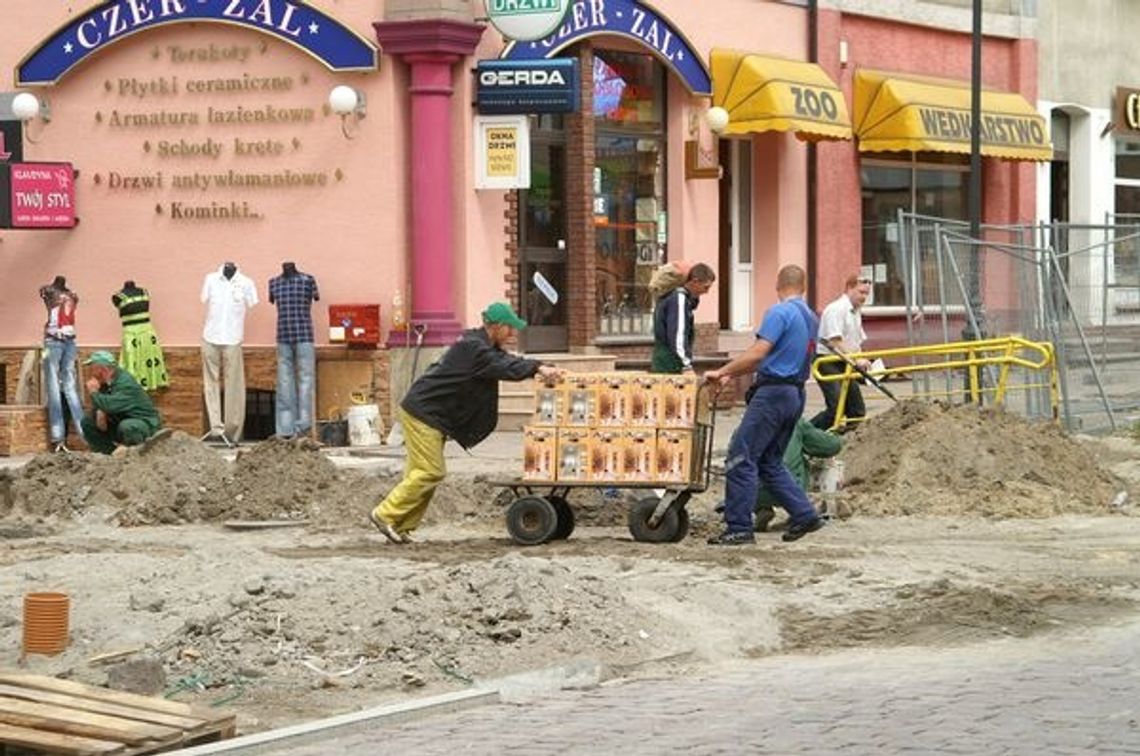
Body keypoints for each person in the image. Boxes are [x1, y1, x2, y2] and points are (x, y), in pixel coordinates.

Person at [369, 302, 563, 544]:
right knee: (431, 471)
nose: (513, 334)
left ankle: (400, 525)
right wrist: (536, 368)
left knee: (419, 473)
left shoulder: (480, 344)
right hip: (424, 413)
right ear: (498, 327)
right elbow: (504, 366)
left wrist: (539, 366)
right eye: (511, 329)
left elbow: (505, 360)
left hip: (430, 414)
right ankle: (385, 513)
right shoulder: (475, 348)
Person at [704, 265, 823, 545]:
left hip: (773, 393)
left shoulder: (779, 312)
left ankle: (738, 527)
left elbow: (759, 353)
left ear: (777, 285)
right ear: (803, 286)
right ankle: (805, 514)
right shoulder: (810, 316)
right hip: (796, 393)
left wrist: (723, 372)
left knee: (740, 456)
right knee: (769, 461)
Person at [200, 262, 258, 444]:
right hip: (210, 336)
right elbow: (204, 299)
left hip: (233, 338)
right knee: (211, 382)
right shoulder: (210, 279)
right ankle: (215, 427)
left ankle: (232, 431)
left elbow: (252, 302)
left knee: (234, 384)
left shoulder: (246, 282)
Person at [753, 418, 842, 531]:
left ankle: (761, 508)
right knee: (797, 463)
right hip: (789, 487)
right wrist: (836, 436)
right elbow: (829, 447)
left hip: (755, 491)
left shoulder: (749, 422)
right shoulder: (796, 422)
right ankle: (796, 514)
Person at [811, 274, 872, 431]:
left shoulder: (856, 311)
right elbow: (835, 341)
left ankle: (848, 444)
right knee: (836, 407)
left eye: (866, 294)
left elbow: (855, 341)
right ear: (849, 288)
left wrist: (862, 358)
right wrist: (856, 359)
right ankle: (804, 434)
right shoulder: (836, 309)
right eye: (861, 293)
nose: (864, 297)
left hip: (845, 361)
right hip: (827, 361)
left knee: (856, 410)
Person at [268, 262, 319, 438]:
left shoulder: (308, 280)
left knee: (306, 382)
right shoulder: (273, 283)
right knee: (284, 383)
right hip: (283, 337)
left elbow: (316, 297)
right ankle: (285, 429)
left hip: (304, 336)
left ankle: (303, 427)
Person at [80, 351, 163, 455]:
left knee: (128, 426)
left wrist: (93, 392)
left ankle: (136, 454)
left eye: (93, 369)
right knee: (87, 422)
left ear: (103, 370)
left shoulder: (125, 383)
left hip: (143, 424)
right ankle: (109, 455)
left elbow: (109, 406)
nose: (91, 374)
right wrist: (99, 411)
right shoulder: (105, 382)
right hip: (120, 422)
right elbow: (103, 406)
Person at [39, 276, 84, 452]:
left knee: (60, 388)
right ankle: (73, 434)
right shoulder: (60, 293)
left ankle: (65, 435)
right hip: (62, 341)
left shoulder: (59, 292)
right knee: (62, 387)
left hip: (61, 341)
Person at [651, 263, 716, 374]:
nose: (706, 292)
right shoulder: (679, 299)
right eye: (705, 287)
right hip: (672, 364)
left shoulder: (671, 296)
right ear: (695, 281)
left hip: (664, 361)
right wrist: (686, 365)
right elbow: (678, 335)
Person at [112, 280, 169, 391]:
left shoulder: (144, 292)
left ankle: (149, 387)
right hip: (131, 335)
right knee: (132, 361)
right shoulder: (118, 296)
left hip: (147, 333)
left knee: (148, 359)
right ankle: (133, 389)